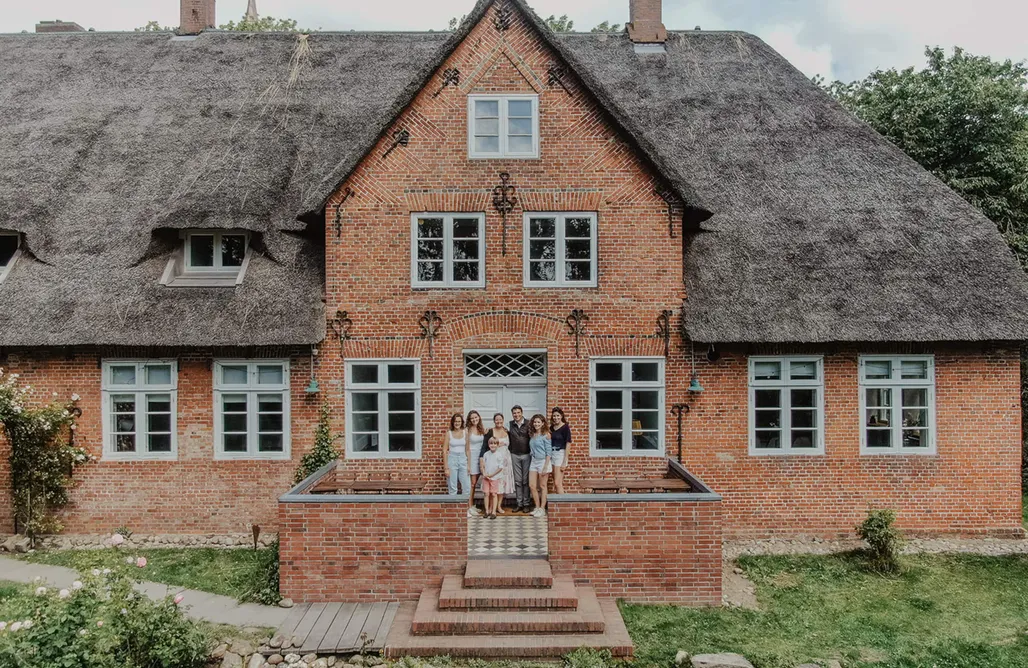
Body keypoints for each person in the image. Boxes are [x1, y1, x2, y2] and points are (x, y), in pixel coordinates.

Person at [484, 413, 514, 514]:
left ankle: (499, 506)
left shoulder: (507, 431)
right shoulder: (490, 431)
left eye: (500, 419)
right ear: (494, 421)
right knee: (494, 484)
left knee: (502, 485)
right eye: (496, 420)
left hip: (506, 461)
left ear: (503, 420)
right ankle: (491, 507)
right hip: (494, 462)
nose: (498, 421)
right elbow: (486, 445)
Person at [508, 405, 532, 513]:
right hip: (515, 455)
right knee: (518, 481)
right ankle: (519, 503)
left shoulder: (528, 424)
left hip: (526, 454)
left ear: (522, 413)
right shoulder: (510, 424)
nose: (516, 415)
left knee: (525, 481)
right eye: (514, 413)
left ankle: (526, 503)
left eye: (518, 412)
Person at [527, 414, 552, 517]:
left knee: (542, 486)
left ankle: (542, 508)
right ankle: (537, 507)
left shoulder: (546, 435)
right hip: (534, 461)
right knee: (532, 485)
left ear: (542, 423)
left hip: (543, 462)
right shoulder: (532, 435)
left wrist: (546, 466)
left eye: (538, 422)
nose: (536, 424)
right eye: (535, 422)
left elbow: (549, 452)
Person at [443, 413, 471, 497]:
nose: (457, 423)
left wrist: (468, 465)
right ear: (452, 422)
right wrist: (446, 468)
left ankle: (465, 509)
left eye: (459, 421)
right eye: (455, 421)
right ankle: (453, 509)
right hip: (452, 459)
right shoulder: (449, 434)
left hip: (463, 459)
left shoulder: (465, 433)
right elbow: (444, 450)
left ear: (462, 422)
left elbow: (468, 450)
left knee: (467, 487)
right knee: (452, 487)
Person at [465, 410, 486, 517]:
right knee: (472, 484)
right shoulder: (467, 430)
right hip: (472, 457)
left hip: (480, 457)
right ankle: (469, 506)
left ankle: (472, 505)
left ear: (479, 418)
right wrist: (468, 463)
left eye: (476, 417)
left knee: (475, 481)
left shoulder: (481, 429)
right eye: (472, 418)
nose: (474, 420)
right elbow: (467, 447)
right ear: (469, 420)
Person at [481, 436, 506, 520]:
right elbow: (483, 466)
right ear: (488, 445)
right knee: (486, 494)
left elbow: (500, 467)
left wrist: (492, 474)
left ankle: (493, 511)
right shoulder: (486, 454)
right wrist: (484, 473)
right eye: (491, 443)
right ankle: (487, 510)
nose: (493, 445)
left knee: (494, 494)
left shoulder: (499, 455)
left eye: (495, 443)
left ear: (497, 445)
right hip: (486, 477)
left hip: (495, 478)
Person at [549, 407, 571, 494]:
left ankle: (563, 504)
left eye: (558, 415)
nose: (556, 417)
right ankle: (557, 504)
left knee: (558, 483)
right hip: (552, 454)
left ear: (561, 416)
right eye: (554, 416)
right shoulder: (551, 428)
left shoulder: (565, 427)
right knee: (555, 482)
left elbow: (568, 443)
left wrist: (564, 461)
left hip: (560, 454)